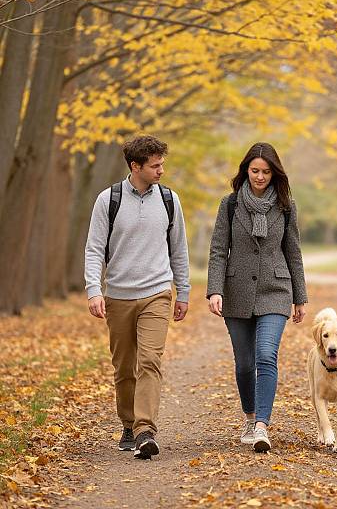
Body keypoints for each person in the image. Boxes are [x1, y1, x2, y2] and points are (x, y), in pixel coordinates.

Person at [84, 135, 190, 460]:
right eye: (155, 165)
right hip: (118, 296)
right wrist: (93, 289)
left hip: (157, 293)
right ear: (135, 166)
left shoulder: (170, 200)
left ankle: (146, 430)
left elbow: (179, 250)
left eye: (162, 163)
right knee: (124, 367)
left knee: (150, 361)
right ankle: (128, 424)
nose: (161, 170)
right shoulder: (108, 200)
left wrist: (182, 292)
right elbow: (94, 249)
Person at [207, 142, 307, 452]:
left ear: (274, 173)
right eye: (254, 171)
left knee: (266, 355)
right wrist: (214, 289)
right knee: (244, 363)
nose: (260, 177)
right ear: (245, 171)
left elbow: (293, 252)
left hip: (276, 290)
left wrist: (300, 296)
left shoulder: (286, 206)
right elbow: (218, 250)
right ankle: (249, 417)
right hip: (236, 291)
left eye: (265, 171)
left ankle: (262, 424)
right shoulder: (231, 204)